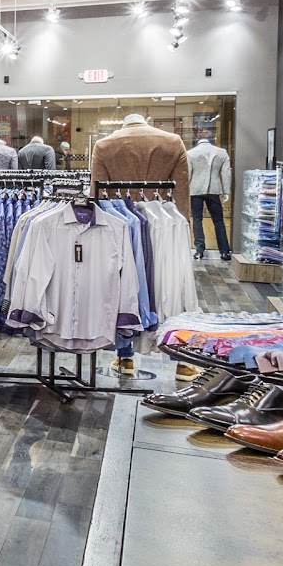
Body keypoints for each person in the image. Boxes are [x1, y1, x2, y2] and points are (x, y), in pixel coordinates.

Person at [90, 112, 189, 373]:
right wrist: (183, 227)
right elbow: (182, 191)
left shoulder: (104, 145)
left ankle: (125, 357)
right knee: (171, 285)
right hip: (164, 223)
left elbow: (96, 193)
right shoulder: (173, 142)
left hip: (120, 224)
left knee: (124, 286)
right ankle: (180, 362)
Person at [187, 133, 233, 261]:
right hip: (214, 189)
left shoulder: (191, 153)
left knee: (197, 219)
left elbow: (188, 174)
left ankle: (199, 251)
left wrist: (185, 190)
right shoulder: (221, 153)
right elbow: (226, 173)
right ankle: (224, 251)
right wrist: (226, 191)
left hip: (195, 190)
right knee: (218, 220)